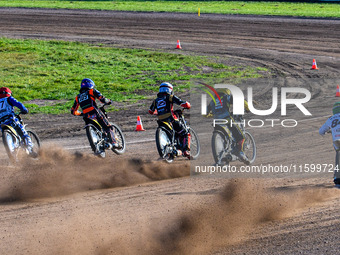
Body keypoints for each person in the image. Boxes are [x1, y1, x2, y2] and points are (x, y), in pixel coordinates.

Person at [71, 78, 119, 154]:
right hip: (95, 112)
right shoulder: (92, 91)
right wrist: (109, 101)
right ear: (91, 84)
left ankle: (98, 144)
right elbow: (102, 99)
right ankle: (114, 142)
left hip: (86, 117)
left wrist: (81, 113)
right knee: (108, 127)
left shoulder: (78, 97)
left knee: (96, 128)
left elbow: (73, 111)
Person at [206, 88, 250, 165]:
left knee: (227, 136)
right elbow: (241, 101)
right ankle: (241, 154)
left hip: (216, 121)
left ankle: (224, 155)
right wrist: (248, 108)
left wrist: (211, 115)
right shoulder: (227, 97)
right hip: (227, 119)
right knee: (241, 137)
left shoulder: (212, 101)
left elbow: (205, 113)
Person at [149, 82, 191, 157]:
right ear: (170, 90)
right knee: (185, 133)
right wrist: (187, 104)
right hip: (171, 119)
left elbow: (150, 111)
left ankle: (173, 149)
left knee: (175, 131)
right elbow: (181, 103)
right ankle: (185, 151)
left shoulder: (156, 101)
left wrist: (158, 112)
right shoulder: (170, 97)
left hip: (161, 121)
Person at [0, 87, 37, 157]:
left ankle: (13, 151)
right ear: (8, 93)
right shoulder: (9, 99)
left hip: (1, 123)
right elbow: (18, 104)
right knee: (24, 134)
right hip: (11, 120)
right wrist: (24, 110)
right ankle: (30, 150)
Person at [319, 102, 340, 185]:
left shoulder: (330, 119)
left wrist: (330, 130)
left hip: (337, 141)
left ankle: (337, 180)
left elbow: (321, 131)